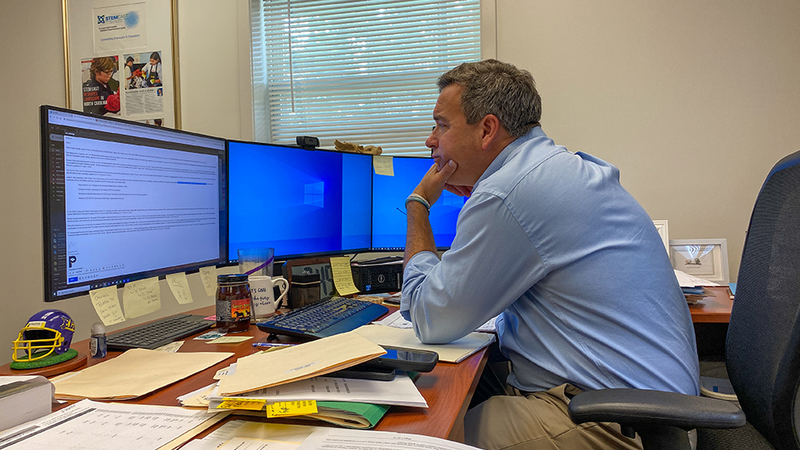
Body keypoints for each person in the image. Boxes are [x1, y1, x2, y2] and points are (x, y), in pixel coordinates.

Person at [401, 59, 699, 449]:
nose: (430, 139)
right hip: (651, 408)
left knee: (420, 436)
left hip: (613, 421)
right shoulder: (553, 169)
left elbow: (429, 317)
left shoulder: (510, 191)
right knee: (453, 393)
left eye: (442, 125)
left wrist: (418, 203)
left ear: (487, 129)